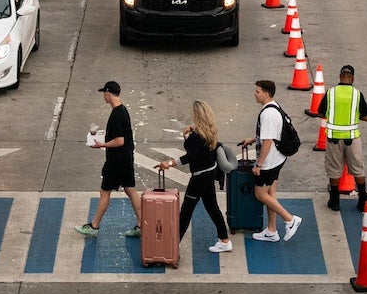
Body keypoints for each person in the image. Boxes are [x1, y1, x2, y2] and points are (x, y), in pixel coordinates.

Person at [156, 100, 232, 254]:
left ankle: (171, 247)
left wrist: (168, 163)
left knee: (186, 212)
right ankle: (224, 240)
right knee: (212, 207)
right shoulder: (210, 131)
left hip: (199, 178)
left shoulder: (196, 137)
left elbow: (189, 157)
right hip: (210, 172)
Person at [74, 80, 142, 238]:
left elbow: (119, 140)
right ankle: (141, 225)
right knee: (130, 189)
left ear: (108, 93)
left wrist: (101, 144)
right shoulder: (123, 110)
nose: (103, 96)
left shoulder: (116, 114)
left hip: (116, 161)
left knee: (104, 192)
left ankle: (94, 226)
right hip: (126, 158)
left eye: (103, 93)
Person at [243, 79, 301, 242]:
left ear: (266, 93)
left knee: (260, 194)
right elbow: (270, 135)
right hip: (278, 159)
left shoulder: (267, 114)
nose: (255, 94)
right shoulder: (274, 107)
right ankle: (271, 230)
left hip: (269, 162)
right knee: (270, 193)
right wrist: (253, 139)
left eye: (257, 91)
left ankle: (290, 219)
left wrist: (259, 165)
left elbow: (268, 141)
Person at [321, 64, 367, 212]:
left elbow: (320, 112)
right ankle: (362, 200)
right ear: (352, 78)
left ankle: (335, 201)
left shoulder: (331, 93)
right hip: (352, 138)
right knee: (358, 169)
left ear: (340, 76)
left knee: (334, 170)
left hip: (333, 138)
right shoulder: (357, 94)